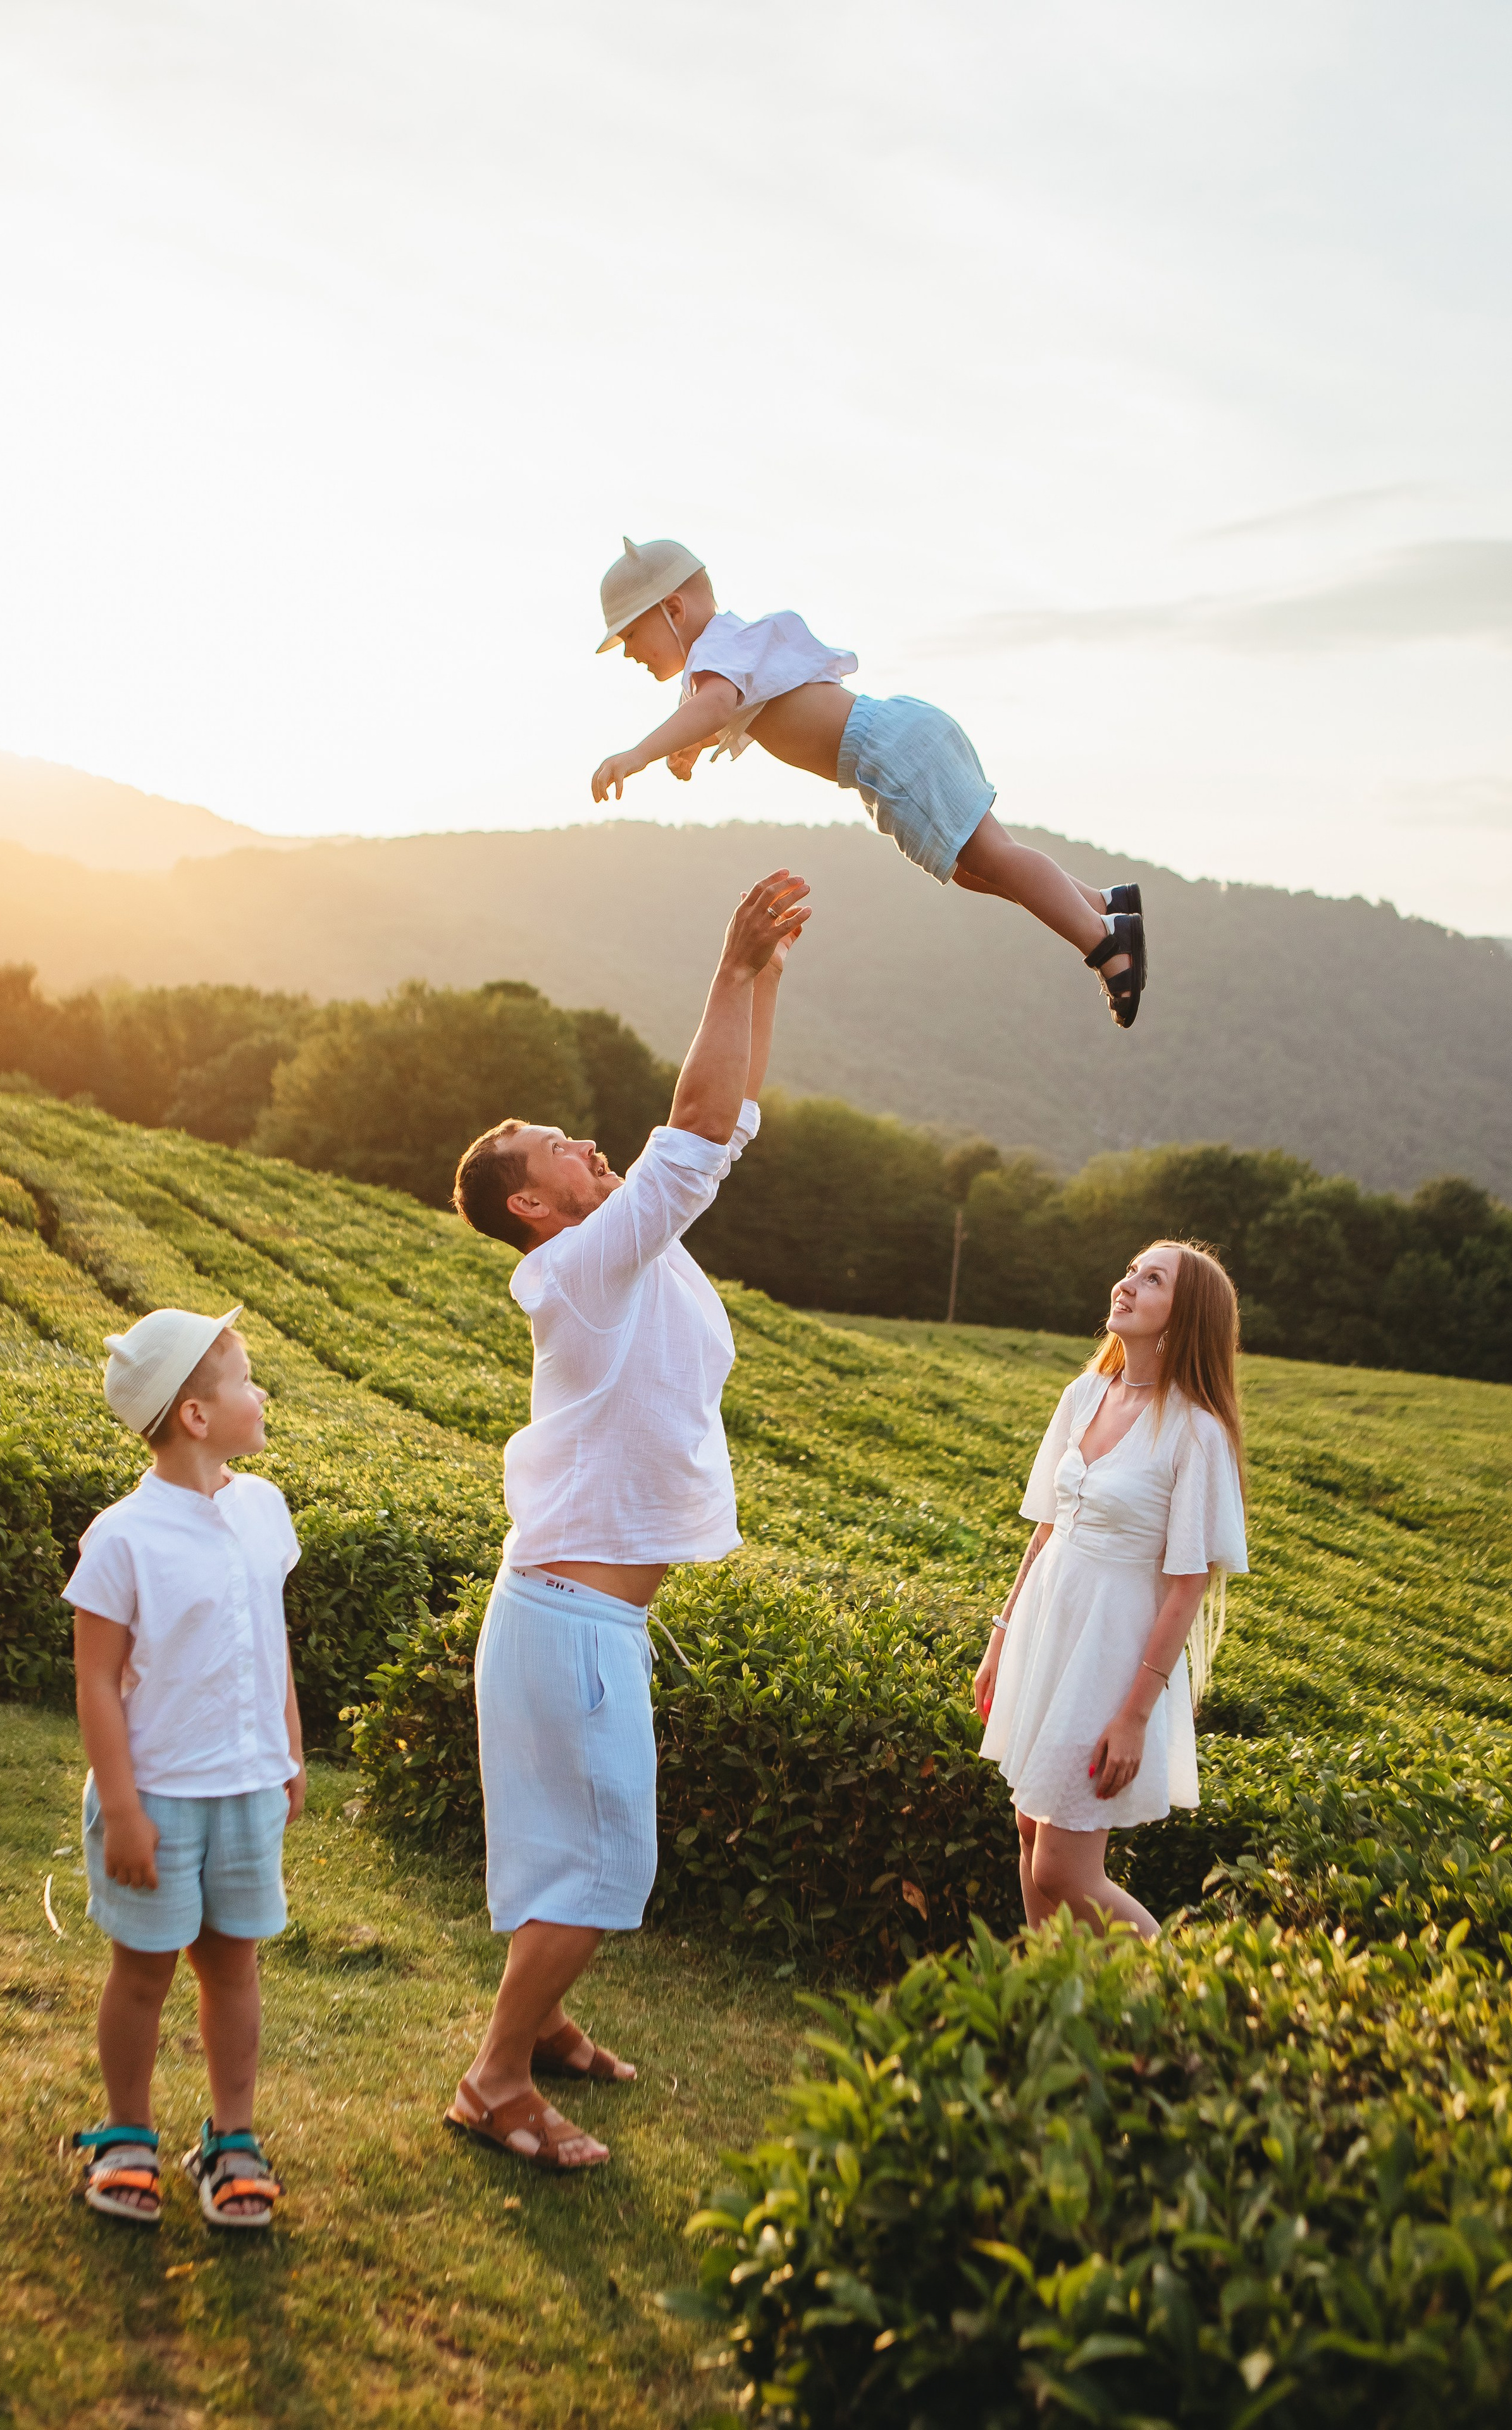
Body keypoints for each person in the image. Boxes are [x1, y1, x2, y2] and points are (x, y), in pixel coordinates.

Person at [444, 868, 810, 2171]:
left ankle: (541, 2034)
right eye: (553, 1143)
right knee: (605, 1870)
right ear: (529, 1206)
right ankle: (493, 2083)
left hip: (574, 1617)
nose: (582, 1142)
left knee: (570, 1846)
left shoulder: (629, 1252)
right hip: (570, 1620)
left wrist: (762, 972)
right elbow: (696, 1125)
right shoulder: (577, 1265)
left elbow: (727, 1126)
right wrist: (726, 957)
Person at [588, 534, 1148, 1028]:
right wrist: (688, 747)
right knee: (975, 869)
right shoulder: (729, 650)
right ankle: (1103, 902)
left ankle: (1105, 942)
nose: (630, 653)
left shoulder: (717, 655)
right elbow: (726, 711)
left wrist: (639, 753)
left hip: (888, 749)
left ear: (673, 609)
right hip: (891, 745)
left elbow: (714, 708)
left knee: (993, 857)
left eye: (632, 635)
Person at [65, 1306, 305, 2229]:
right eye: (246, 1379)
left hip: (245, 1786)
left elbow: (268, 1635)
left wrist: (288, 1746)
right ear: (196, 1417)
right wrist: (122, 1810)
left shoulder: (262, 1508)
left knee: (233, 1966)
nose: (262, 1393)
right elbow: (95, 1683)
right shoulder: (123, 1537)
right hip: (159, 1797)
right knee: (142, 1972)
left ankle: (231, 2140)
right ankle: (127, 2136)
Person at [974, 1240, 1248, 1940]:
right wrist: (999, 1639)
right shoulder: (1083, 1394)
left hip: (1112, 1650)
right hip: (1046, 1630)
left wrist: (1133, 1715)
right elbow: (1044, 1532)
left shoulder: (1196, 1431)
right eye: (1130, 1269)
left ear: (1183, 1317)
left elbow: (1187, 1587)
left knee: (1063, 1870)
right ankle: (1046, 2020)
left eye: (1150, 1279)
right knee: (1031, 1836)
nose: (1126, 1284)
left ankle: (1180, 2003)